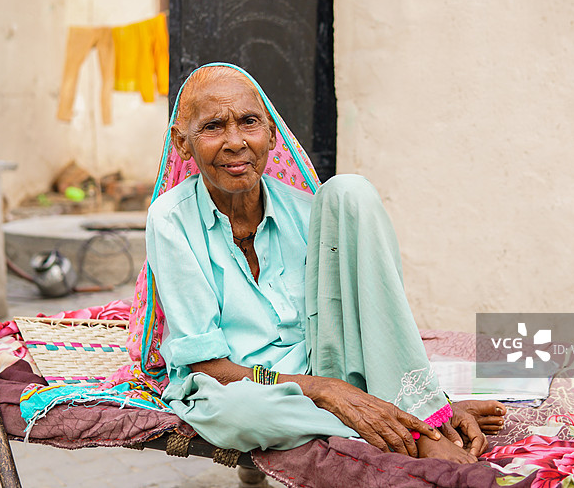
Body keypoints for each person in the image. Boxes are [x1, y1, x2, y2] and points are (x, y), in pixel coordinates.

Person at [145, 63, 505, 463]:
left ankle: (409, 406)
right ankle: (407, 423)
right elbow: (210, 367)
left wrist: (339, 385)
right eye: (213, 127)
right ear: (182, 142)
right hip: (240, 386)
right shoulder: (170, 220)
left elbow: (361, 323)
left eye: (249, 122)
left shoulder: (308, 211)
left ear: (272, 133)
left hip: (325, 365)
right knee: (246, 416)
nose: (235, 142)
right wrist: (326, 392)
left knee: (350, 191)